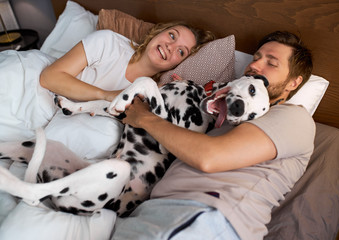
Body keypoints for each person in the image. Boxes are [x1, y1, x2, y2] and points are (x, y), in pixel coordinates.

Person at [109, 31, 315, 240]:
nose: (255, 66)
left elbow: (209, 157)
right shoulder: (223, 115)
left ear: (294, 82)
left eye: (271, 63)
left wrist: (144, 117)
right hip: (150, 212)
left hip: (208, 217)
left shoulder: (294, 118)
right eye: (256, 58)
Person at [40, 21, 215, 102]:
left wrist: (174, 93)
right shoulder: (108, 42)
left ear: (179, 65)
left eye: (181, 51)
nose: (170, 46)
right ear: (159, 32)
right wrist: (105, 95)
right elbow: (49, 77)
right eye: (172, 35)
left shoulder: (150, 94)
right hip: (36, 88)